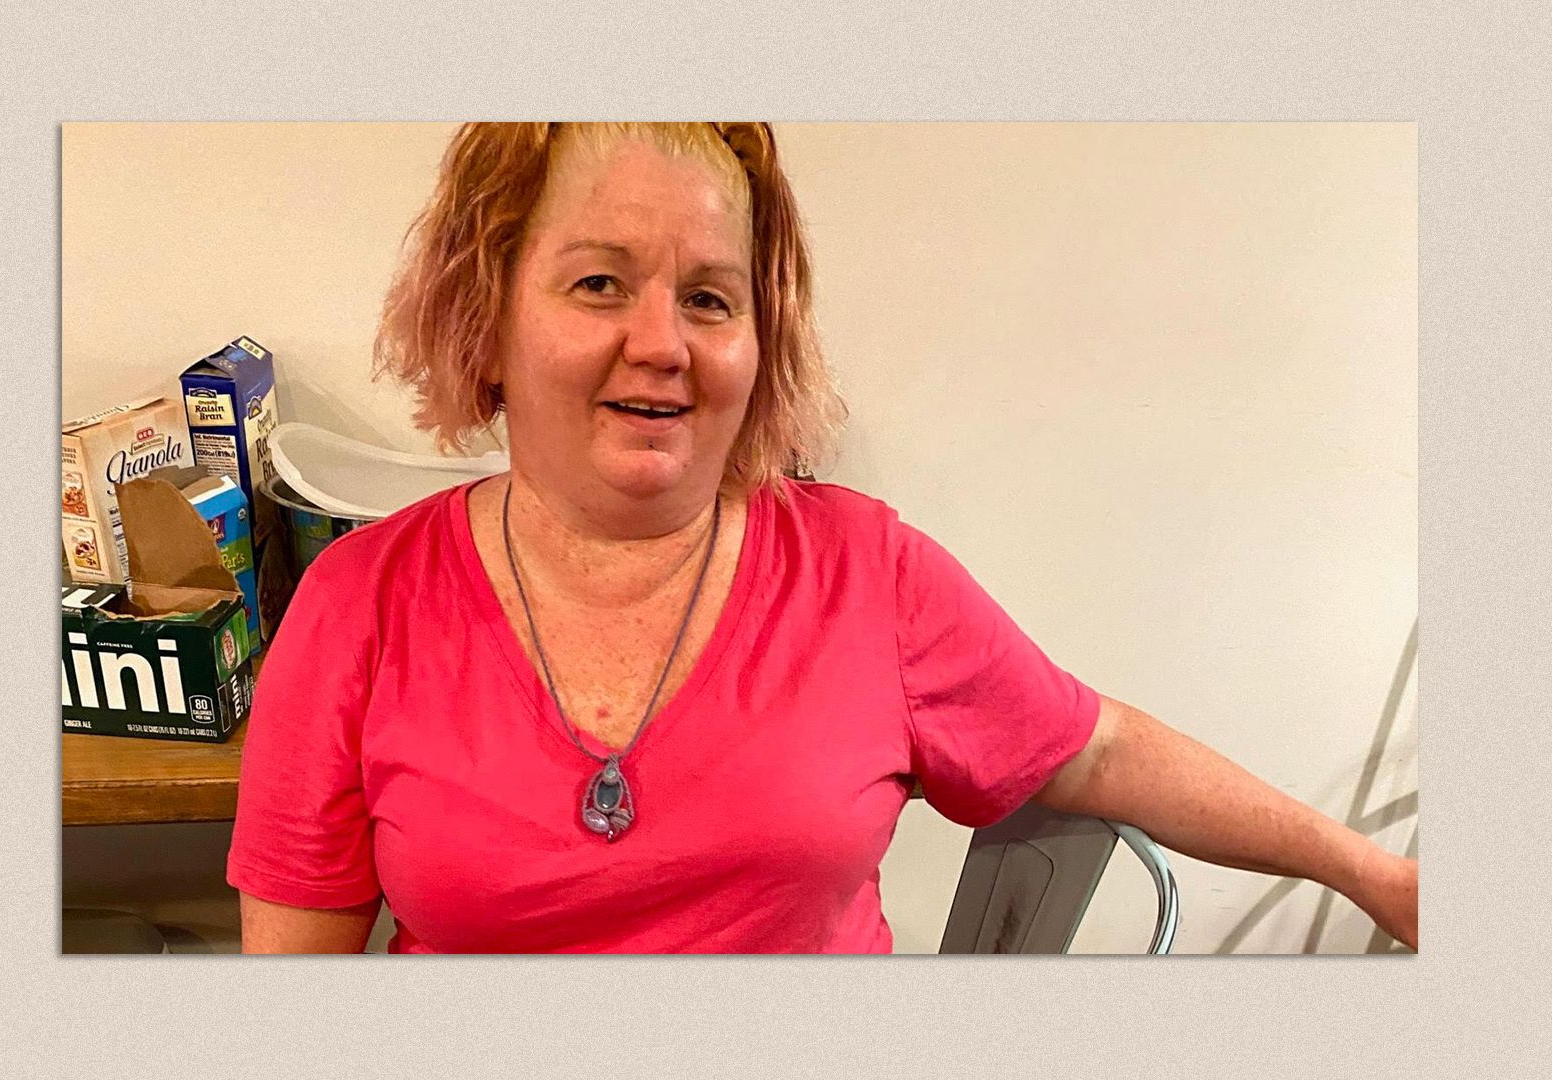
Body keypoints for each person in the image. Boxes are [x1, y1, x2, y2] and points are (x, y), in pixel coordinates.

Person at [226, 122, 1419, 954]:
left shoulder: (870, 576)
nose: (663, 343)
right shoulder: (358, 608)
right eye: (598, 284)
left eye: (709, 297)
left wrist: (1370, 870)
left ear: (763, 341)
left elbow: (1095, 748)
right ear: (487, 313)